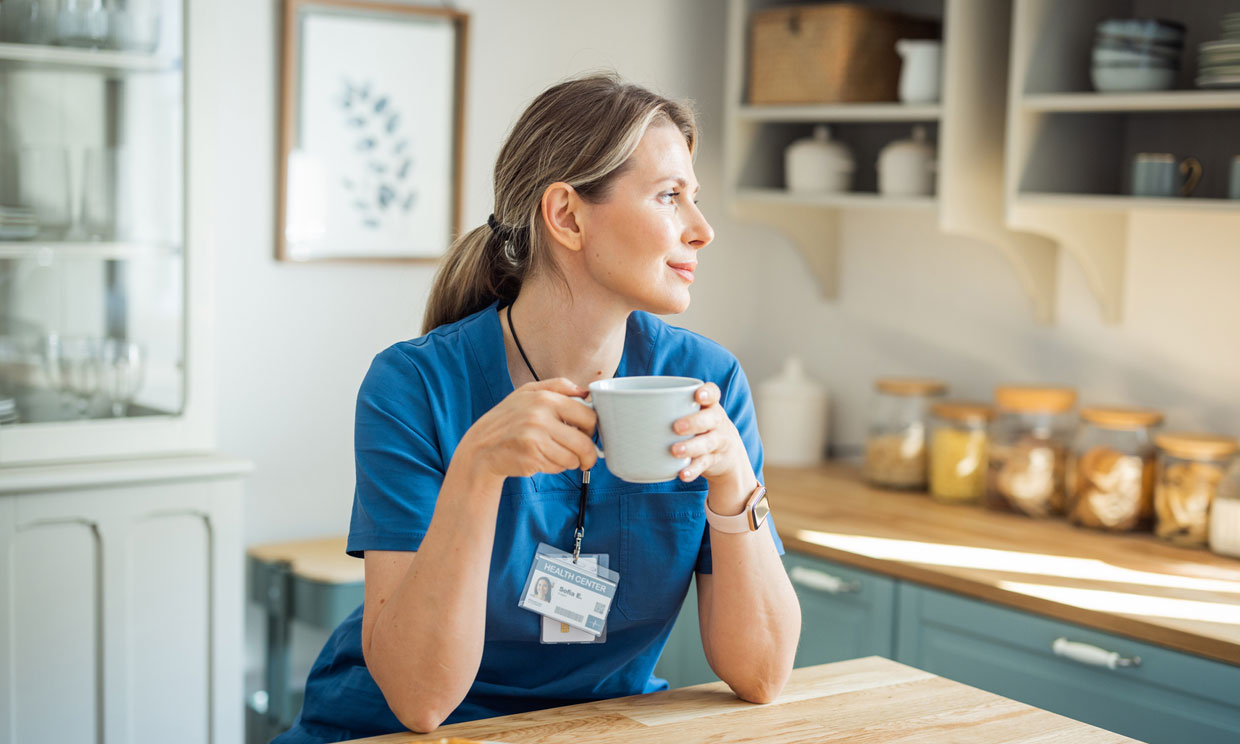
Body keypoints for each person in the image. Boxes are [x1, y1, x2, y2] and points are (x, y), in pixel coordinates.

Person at [275, 73, 801, 743]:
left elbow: (762, 676)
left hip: (595, 729)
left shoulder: (709, 382)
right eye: (670, 197)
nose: (701, 230)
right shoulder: (413, 386)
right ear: (567, 216)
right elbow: (418, 701)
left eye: (693, 199)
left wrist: (735, 486)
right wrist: (476, 472)